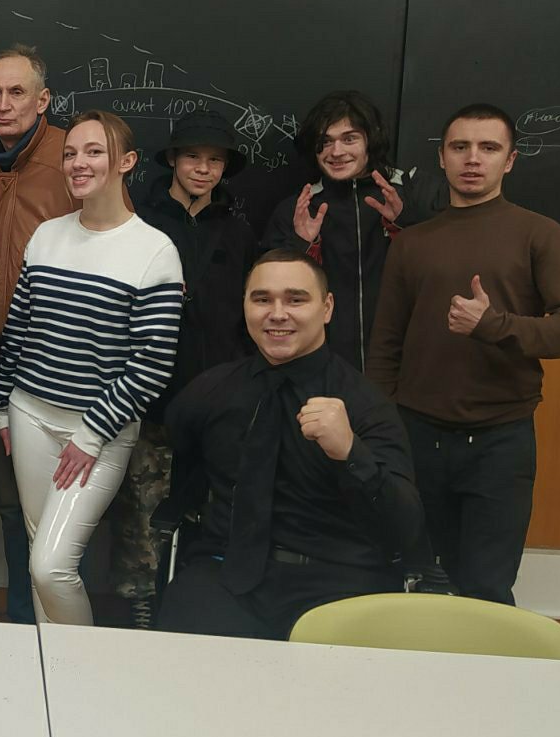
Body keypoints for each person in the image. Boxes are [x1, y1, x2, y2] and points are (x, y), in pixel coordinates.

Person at [367, 104, 560, 605]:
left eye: (488, 148)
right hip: (417, 436)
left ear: (509, 160)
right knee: (416, 581)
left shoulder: (539, 233)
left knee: (486, 589)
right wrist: (382, 429)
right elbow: (385, 345)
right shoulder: (412, 243)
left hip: (500, 441)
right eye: (460, 147)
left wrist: (493, 325)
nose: (473, 159)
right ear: (442, 158)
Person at [154, 250, 427, 640]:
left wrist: (351, 453)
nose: (277, 314)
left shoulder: (365, 404)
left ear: (326, 308)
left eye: (296, 299)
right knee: (181, 650)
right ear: (245, 306)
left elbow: (406, 526)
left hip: (336, 580)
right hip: (228, 572)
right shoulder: (211, 391)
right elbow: (184, 455)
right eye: (262, 299)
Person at [0, 111, 184, 625]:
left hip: (99, 430)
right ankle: (48, 661)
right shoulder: (46, 236)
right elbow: (20, 328)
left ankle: (82, 663)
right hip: (29, 414)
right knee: (37, 555)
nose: (78, 163)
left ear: (126, 162)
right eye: (70, 153)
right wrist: (1, 407)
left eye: (94, 152)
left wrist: (92, 435)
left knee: (51, 567)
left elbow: (152, 362)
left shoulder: (154, 251)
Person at [115, 110, 255, 612]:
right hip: (150, 399)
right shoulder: (139, 222)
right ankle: (139, 607)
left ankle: (194, 608)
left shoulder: (239, 231)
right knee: (141, 511)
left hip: (218, 400)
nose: (203, 168)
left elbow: (251, 310)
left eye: (215, 160)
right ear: (173, 159)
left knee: (213, 511)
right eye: (193, 156)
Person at [0, 44, 78, 622]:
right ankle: (22, 621)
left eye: (17, 92)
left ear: (43, 100)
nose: (4, 104)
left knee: (67, 496)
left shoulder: (70, 155)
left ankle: (63, 624)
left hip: (60, 357)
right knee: (13, 499)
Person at [262, 91, 441, 370]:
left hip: (406, 365)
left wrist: (405, 224)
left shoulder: (413, 193)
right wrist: (302, 245)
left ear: (371, 140)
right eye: (325, 141)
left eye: (349, 139)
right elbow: (268, 296)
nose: (336, 152)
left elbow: (445, 273)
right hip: (322, 370)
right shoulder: (296, 210)